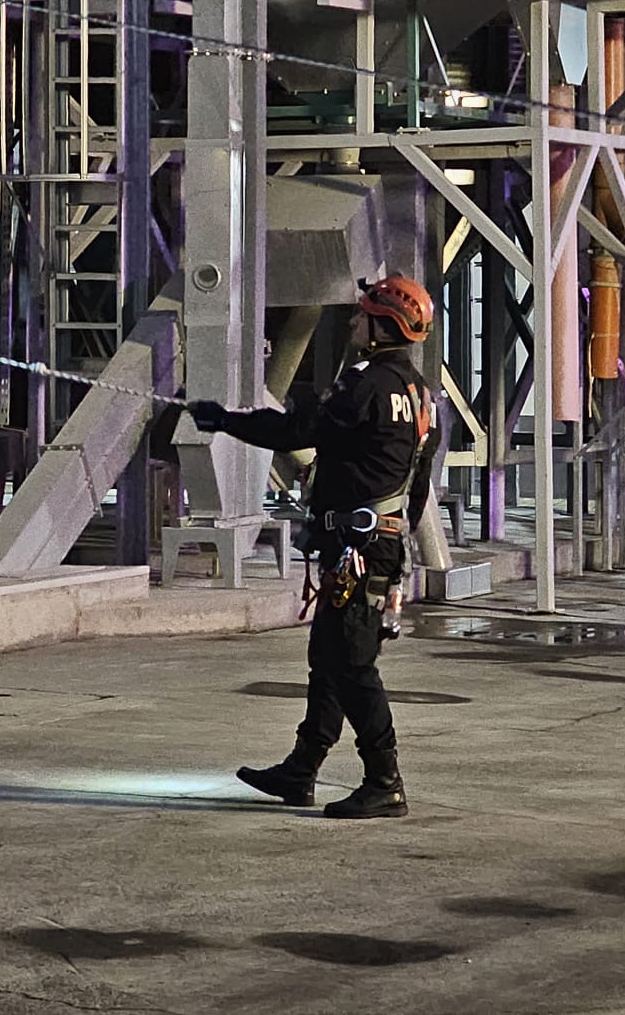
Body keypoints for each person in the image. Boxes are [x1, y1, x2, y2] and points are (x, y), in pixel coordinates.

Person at [188, 274, 440, 820]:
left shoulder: (366, 384)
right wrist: (392, 549)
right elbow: (418, 487)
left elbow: (298, 431)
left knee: (351, 664)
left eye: (362, 314)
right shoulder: (421, 396)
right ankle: (301, 770)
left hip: (359, 547)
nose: (353, 321)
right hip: (378, 544)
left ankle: (385, 781)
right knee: (330, 658)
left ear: (384, 326)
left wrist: (225, 421)